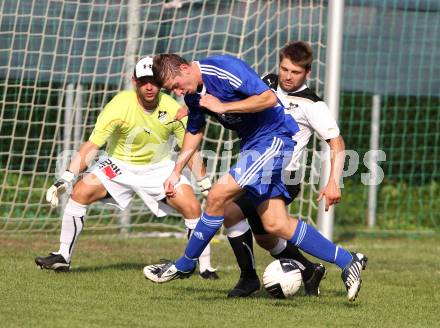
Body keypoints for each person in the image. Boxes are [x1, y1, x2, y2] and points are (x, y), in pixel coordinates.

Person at [143, 53, 367, 301]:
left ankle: (185, 264)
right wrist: (176, 172)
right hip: (253, 146)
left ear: (185, 68)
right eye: (172, 90)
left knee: (218, 195)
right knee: (275, 224)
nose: (177, 92)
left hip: (273, 139)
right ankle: (349, 260)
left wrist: (223, 106)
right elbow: (195, 130)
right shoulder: (192, 94)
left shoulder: (223, 68)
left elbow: (269, 98)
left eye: (175, 85)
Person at [35, 57, 218, 279]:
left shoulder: (172, 108)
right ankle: (62, 256)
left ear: (161, 82)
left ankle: (205, 267)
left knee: (191, 206)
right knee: (80, 191)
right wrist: (67, 176)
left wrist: (204, 183)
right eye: (144, 82)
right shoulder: (119, 106)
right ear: (134, 81)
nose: (149, 87)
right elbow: (92, 145)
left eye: (154, 81)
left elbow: (189, 149)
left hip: (158, 169)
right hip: (118, 166)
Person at [225, 41, 352, 298]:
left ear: (307, 73)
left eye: (295, 72)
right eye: (284, 69)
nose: (287, 76)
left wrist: (333, 182)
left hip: (283, 177)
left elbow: (336, 143)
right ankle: (309, 270)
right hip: (256, 170)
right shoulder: (266, 84)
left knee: (229, 211)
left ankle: (248, 279)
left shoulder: (312, 104)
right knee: (267, 237)